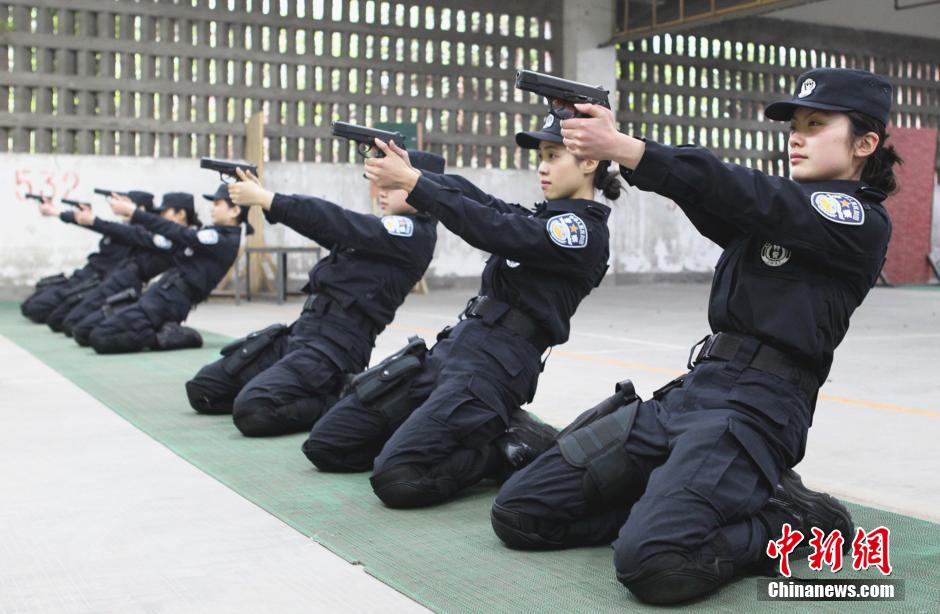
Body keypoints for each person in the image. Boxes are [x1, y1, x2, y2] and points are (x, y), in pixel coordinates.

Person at [490, 68, 899, 605]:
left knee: (655, 565)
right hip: (693, 392)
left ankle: (795, 520)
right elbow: (712, 195)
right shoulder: (774, 214)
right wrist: (625, 152)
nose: (796, 137)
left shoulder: (857, 220)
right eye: (794, 125)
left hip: (757, 409)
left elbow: (742, 191)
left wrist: (626, 147)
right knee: (520, 512)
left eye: (816, 125)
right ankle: (669, 506)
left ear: (864, 144)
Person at [303, 114, 621, 510]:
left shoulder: (580, 232)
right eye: (541, 156)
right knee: (329, 443)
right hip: (454, 347)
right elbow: (479, 200)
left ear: (589, 161)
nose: (542, 166)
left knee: (398, 478)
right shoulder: (540, 218)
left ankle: (502, 445)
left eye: (553, 156)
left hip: (495, 366)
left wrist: (413, 182)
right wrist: (414, 169)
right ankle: (468, 428)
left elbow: (488, 225)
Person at [185, 151, 443, 437]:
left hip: (334, 349)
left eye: (393, 185)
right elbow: (323, 226)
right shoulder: (380, 233)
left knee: (254, 410)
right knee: (204, 390)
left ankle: (341, 396)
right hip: (300, 334)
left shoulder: (413, 233)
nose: (381, 191)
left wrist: (269, 199)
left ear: (422, 188)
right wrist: (265, 199)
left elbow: (336, 221)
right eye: (381, 183)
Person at [87, 190, 248, 354]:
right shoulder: (214, 234)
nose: (212, 209)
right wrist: (132, 213)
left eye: (217, 204)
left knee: (100, 337)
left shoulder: (222, 240)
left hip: (170, 302)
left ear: (235, 211)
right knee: (89, 329)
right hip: (160, 295)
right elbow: (148, 233)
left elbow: (176, 231)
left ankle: (171, 336)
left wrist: (135, 212)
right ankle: (162, 329)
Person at [64, 192, 200, 345]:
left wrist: (128, 213)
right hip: (139, 288)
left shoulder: (181, 240)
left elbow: (132, 232)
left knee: (91, 333)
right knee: (81, 329)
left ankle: (174, 335)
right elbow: (127, 230)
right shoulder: (164, 234)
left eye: (165, 212)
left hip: (149, 293)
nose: (160, 217)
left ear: (181, 214)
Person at [20, 191, 154, 324]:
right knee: (31, 305)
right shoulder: (121, 227)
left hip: (99, 284)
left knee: (41, 310)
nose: (119, 204)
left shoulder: (140, 233)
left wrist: (57, 212)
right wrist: (60, 213)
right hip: (86, 278)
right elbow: (95, 224)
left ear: (141, 209)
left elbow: (101, 225)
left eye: (126, 202)